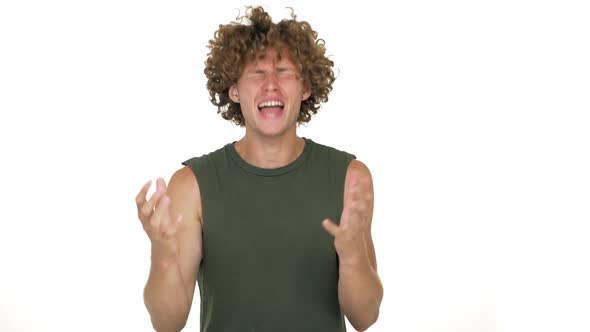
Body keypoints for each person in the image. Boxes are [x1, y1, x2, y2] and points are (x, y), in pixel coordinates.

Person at [135, 6, 383, 332]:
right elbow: (167, 323)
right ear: (234, 89)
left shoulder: (350, 178)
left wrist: (352, 257)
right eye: (256, 72)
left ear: (306, 87)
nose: (270, 85)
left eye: (284, 71)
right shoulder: (191, 185)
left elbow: (365, 317)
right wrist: (162, 255)